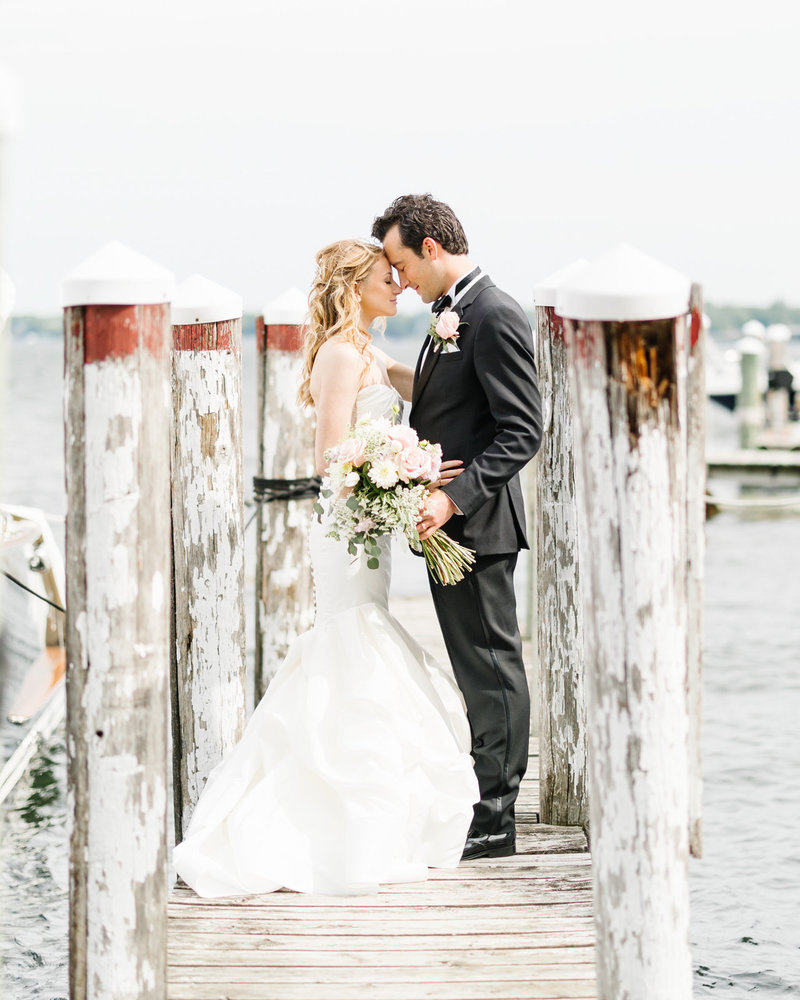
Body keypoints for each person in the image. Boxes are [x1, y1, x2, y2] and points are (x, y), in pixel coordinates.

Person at [173, 238, 478, 897]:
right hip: (347, 531)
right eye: (384, 279)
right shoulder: (341, 355)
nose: (397, 287)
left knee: (367, 635)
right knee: (352, 639)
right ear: (352, 287)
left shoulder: (368, 351)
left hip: (371, 528)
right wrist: (403, 472)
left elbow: (427, 386)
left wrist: (464, 348)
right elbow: (330, 462)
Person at [372, 195, 543, 860]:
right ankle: (483, 799)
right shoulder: (452, 315)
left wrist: (454, 500)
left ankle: (497, 817)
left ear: (431, 247)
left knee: (494, 668)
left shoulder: (493, 313)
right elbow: (446, 406)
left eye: (402, 262)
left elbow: (522, 428)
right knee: (474, 668)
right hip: (450, 527)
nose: (401, 278)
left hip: (479, 525)